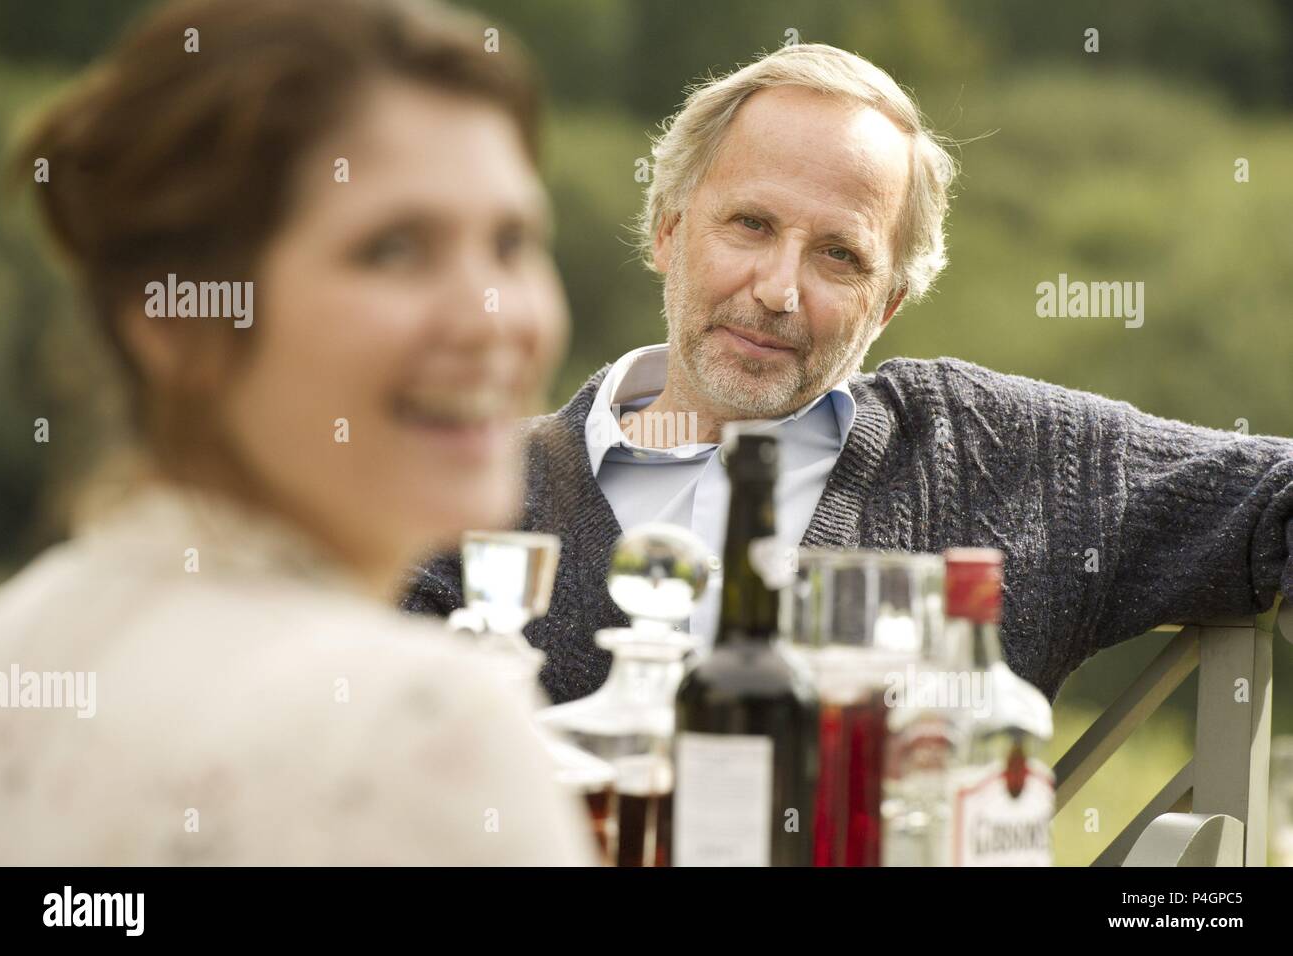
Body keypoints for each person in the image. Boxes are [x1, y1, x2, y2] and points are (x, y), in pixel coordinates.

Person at [406, 43, 1293, 706]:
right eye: (750, 224)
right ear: (668, 230)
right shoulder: (466, 497)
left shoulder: (998, 455)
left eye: (839, 256)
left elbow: (1271, 498)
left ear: (889, 305)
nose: (779, 290)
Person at [0, 0, 591, 865]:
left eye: (511, 242)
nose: (494, 317)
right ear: (176, 320)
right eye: (393, 249)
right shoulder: (424, 728)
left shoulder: (22, 641)